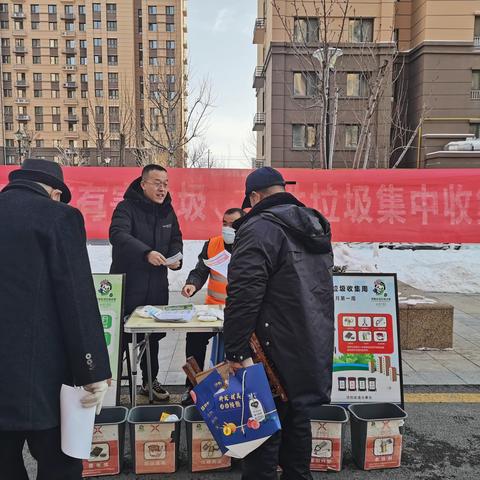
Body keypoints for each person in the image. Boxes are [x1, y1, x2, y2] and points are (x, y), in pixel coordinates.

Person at [0, 159, 111, 480]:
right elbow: (76, 297)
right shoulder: (59, 217)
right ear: (56, 193)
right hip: (43, 380)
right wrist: (94, 370)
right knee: (60, 465)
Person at [224, 167, 334, 480]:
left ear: (255, 197)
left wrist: (234, 349)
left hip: (269, 349)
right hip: (307, 344)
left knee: (262, 435)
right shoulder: (312, 224)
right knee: (297, 426)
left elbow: (244, 293)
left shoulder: (259, 227)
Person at [109, 164, 183, 401]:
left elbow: (176, 239)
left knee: (152, 338)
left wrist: (176, 259)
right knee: (122, 337)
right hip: (129, 286)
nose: (162, 189)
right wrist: (146, 253)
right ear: (143, 184)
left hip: (157, 288)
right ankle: (110, 387)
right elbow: (118, 235)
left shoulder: (167, 212)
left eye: (165, 183)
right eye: (157, 183)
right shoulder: (126, 208)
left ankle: (150, 382)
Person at [181, 207, 245, 405]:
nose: (227, 228)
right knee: (194, 337)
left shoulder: (251, 245)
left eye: (232, 224)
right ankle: (193, 387)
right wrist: (192, 283)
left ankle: (237, 387)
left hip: (240, 312)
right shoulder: (213, 244)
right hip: (213, 309)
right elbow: (200, 270)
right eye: (224, 223)